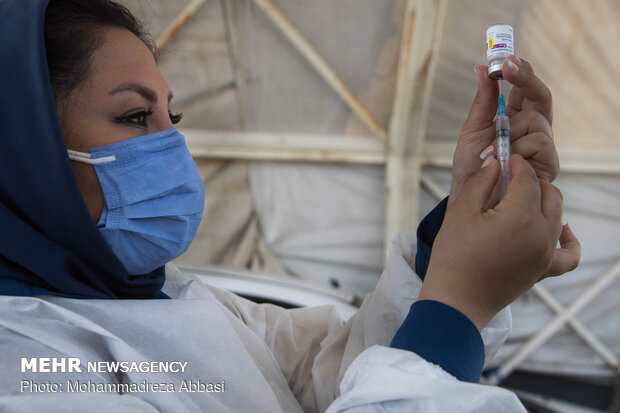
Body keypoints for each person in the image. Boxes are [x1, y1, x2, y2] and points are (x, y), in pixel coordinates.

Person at [0, 0, 580, 411]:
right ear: (25, 148)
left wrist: (456, 232)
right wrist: (456, 306)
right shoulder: (28, 372)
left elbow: (322, 375)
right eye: (133, 117)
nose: (170, 147)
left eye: (169, 119)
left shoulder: (161, 297)